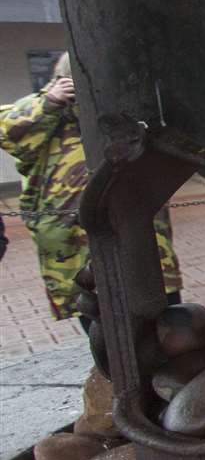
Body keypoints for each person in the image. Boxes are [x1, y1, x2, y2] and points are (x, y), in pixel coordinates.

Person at [0, 54, 183, 336]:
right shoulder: (45, 112)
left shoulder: (129, 110)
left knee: (158, 304)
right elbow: (8, 133)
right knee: (95, 315)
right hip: (72, 241)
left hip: (138, 231)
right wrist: (49, 102)